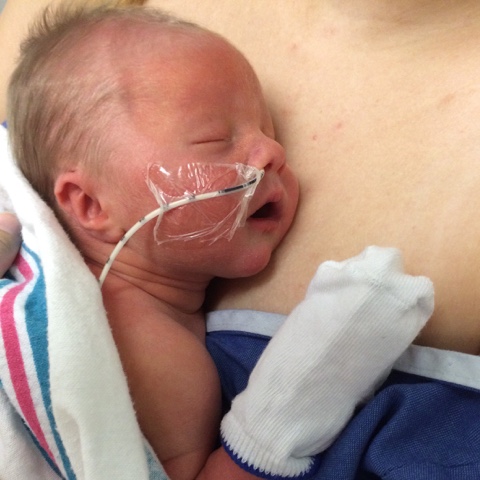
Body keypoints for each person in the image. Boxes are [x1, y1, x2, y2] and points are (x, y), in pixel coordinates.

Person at [1, 4, 435, 480]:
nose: (272, 152)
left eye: (269, 131)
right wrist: (289, 408)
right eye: (214, 140)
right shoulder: (159, 357)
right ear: (89, 205)